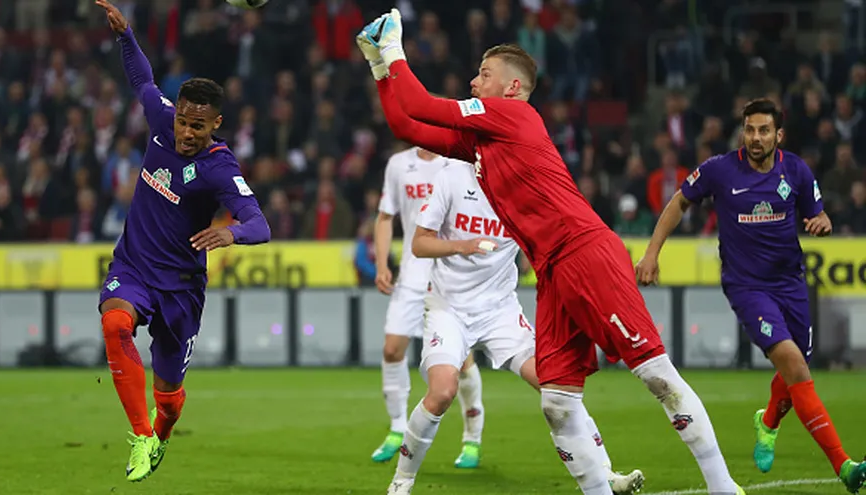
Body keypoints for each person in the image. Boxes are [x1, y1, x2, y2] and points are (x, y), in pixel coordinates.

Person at [357, 10, 743, 495]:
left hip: (585, 250)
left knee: (655, 374)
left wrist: (394, 47)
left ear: (513, 88)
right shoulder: (481, 141)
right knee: (557, 401)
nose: (475, 81)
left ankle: (722, 487)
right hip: (552, 270)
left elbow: (419, 100)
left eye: (485, 74)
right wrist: (378, 66)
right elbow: (405, 123)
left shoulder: (513, 115)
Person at [636, 98, 866, 494]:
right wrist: (653, 252)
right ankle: (843, 466)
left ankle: (769, 422)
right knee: (795, 364)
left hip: (791, 282)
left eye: (763, 130)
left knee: (797, 368)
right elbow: (679, 202)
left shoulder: (795, 169)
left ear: (779, 134)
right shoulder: (720, 170)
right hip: (747, 287)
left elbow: (818, 212)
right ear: (742, 131)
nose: (755, 137)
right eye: (750, 129)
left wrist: (822, 220)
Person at [387, 159, 645, 495]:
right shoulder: (452, 175)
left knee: (556, 386)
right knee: (442, 392)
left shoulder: (522, 184)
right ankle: (401, 482)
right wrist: (461, 245)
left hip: (500, 311)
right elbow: (420, 243)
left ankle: (605, 473)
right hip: (449, 308)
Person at [95, 0, 270, 482]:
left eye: (198, 125)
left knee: (169, 399)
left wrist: (229, 232)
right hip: (133, 268)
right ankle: (140, 436)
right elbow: (143, 82)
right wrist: (127, 35)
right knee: (115, 326)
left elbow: (260, 224)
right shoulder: (160, 121)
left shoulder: (219, 167)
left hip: (180, 287)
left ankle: (161, 432)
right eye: (183, 122)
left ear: (215, 124)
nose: (186, 132)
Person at [371, 144, 487, 469]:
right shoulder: (398, 164)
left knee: (460, 362)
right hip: (411, 273)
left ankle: (472, 438)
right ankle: (397, 428)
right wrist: (383, 263)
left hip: (448, 274)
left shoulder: (459, 162)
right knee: (392, 349)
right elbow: (384, 217)